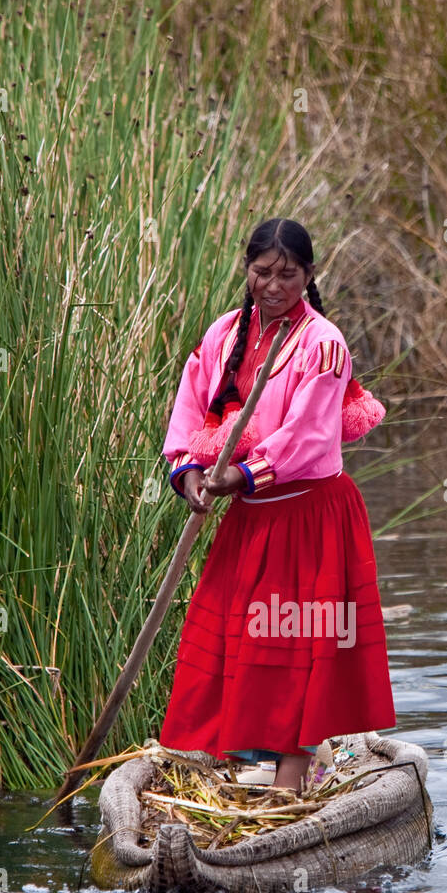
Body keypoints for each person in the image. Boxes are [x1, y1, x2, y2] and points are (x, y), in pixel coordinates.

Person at [159, 217, 395, 793]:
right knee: (240, 640)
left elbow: (311, 437)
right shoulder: (222, 334)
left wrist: (241, 475)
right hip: (252, 516)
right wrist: (188, 472)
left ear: (309, 275)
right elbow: (192, 407)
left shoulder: (324, 344)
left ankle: (289, 785)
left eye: (288, 274)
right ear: (247, 271)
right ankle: (243, 773)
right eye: (262, 272)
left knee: (300, 644)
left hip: (311, 514)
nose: (273, 285)